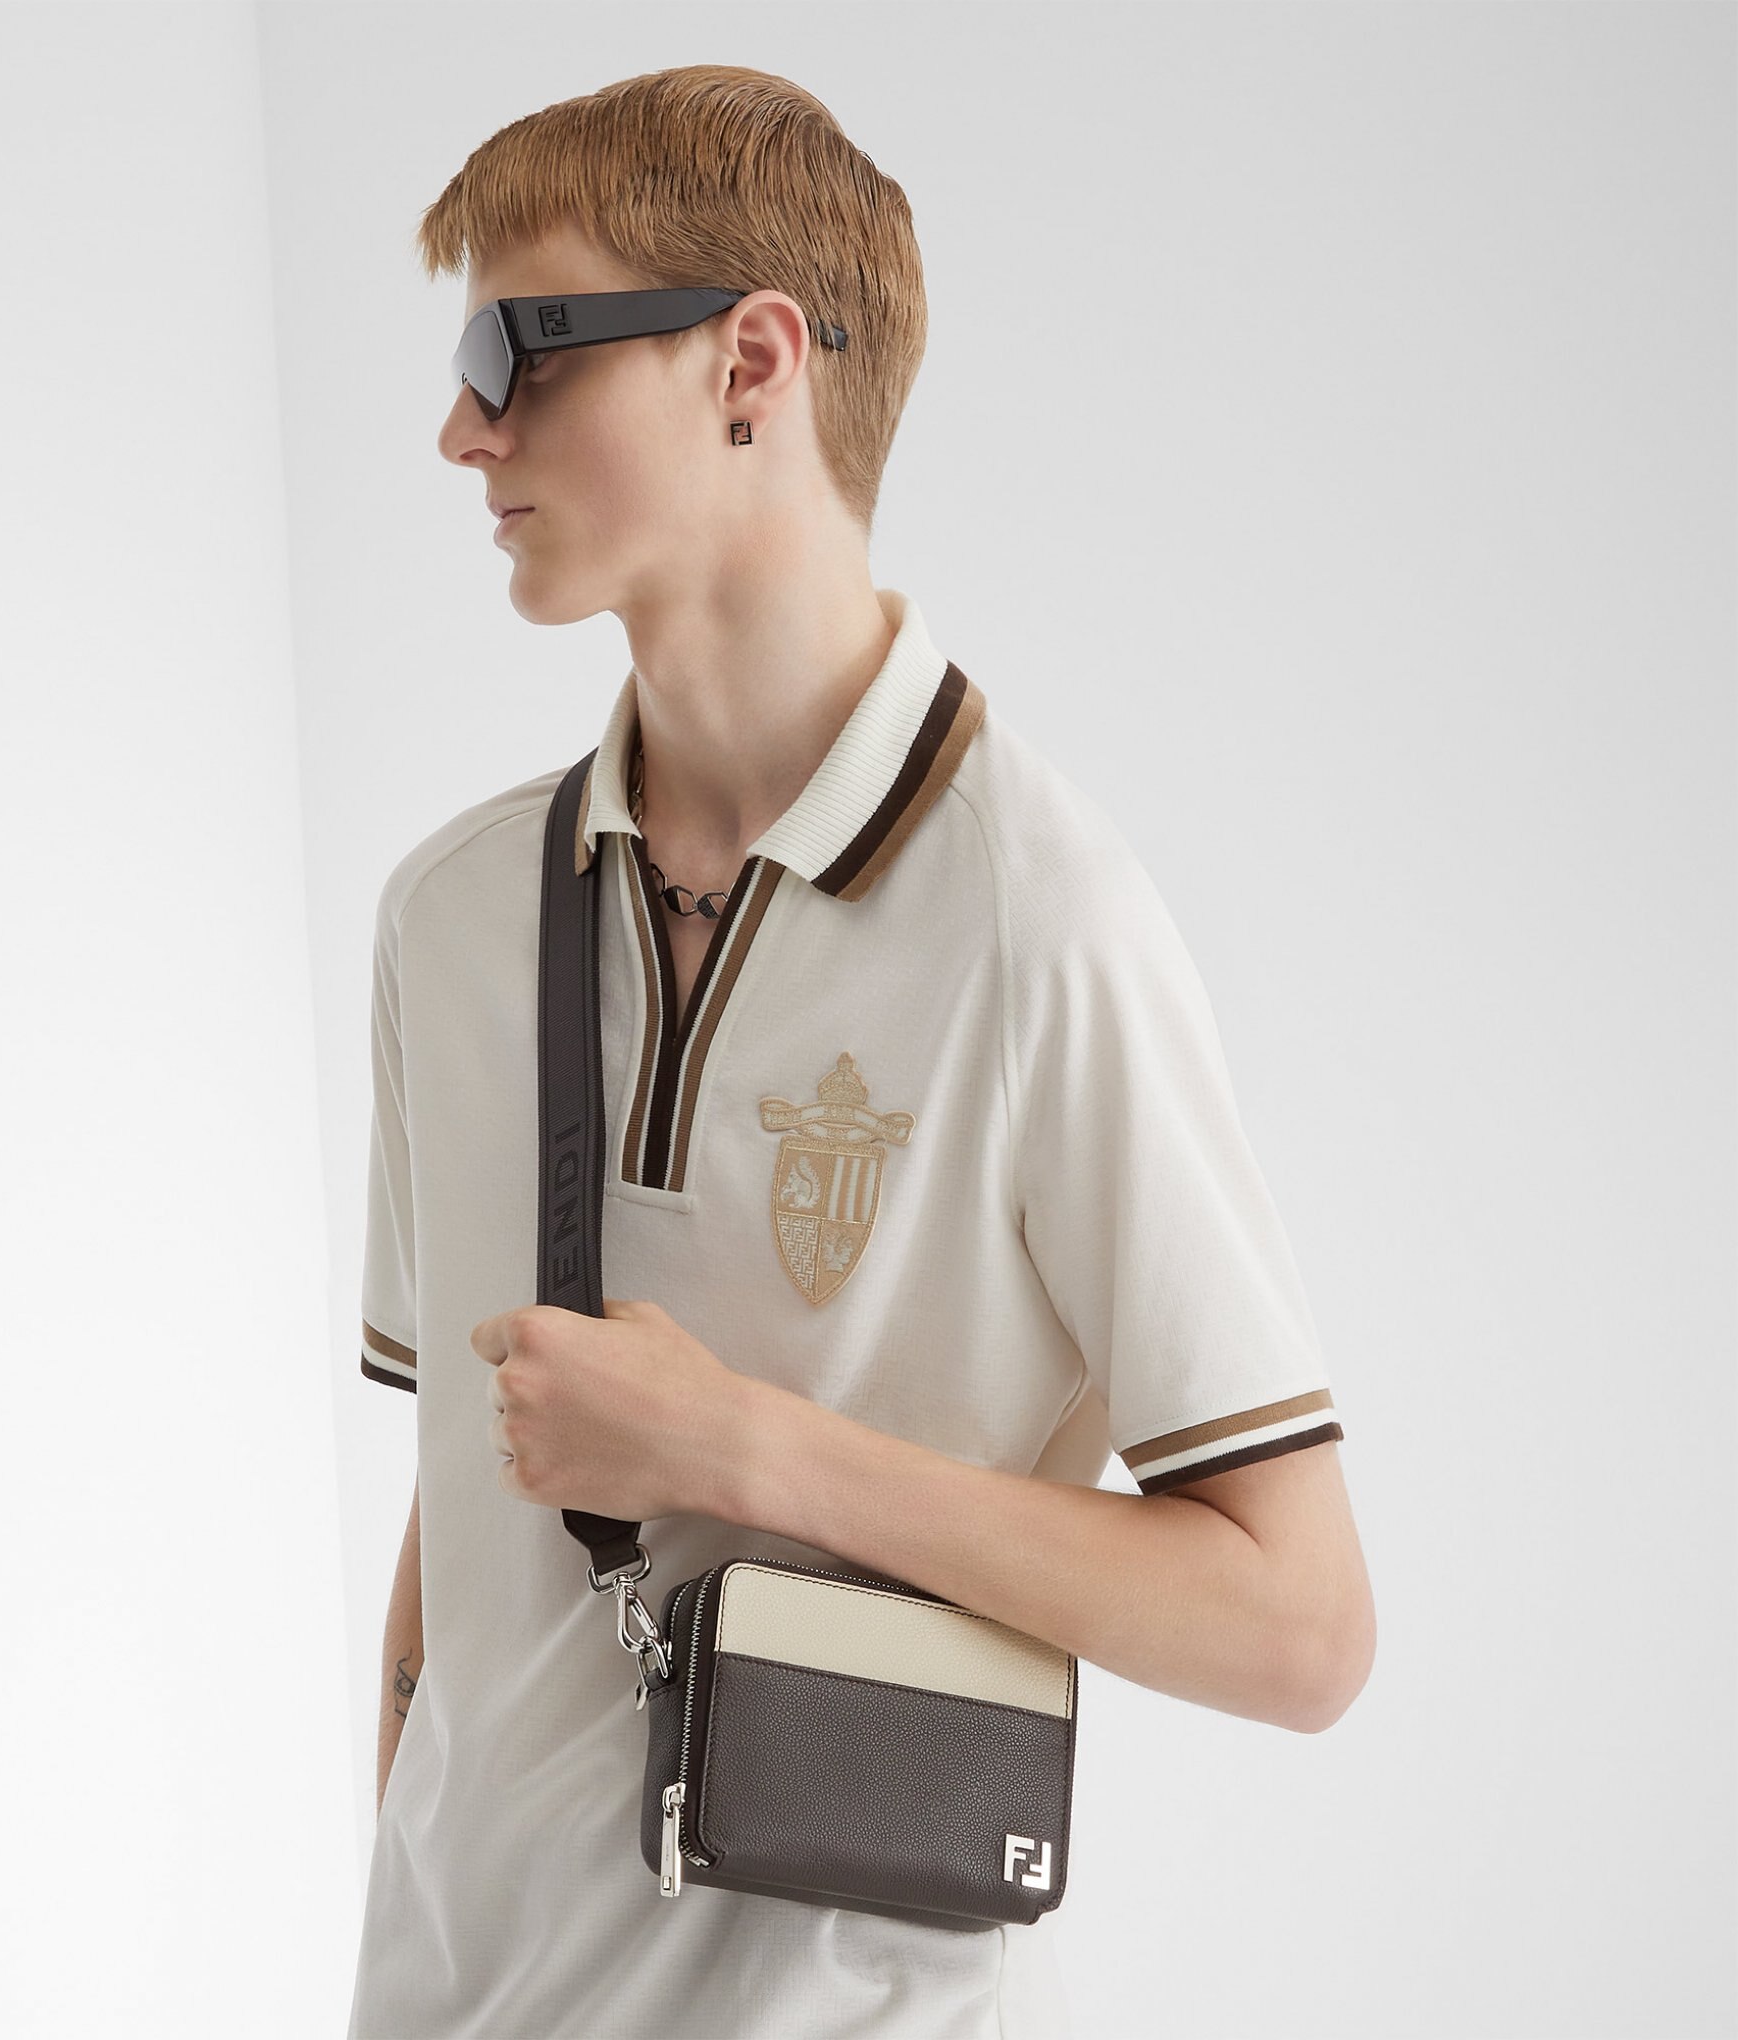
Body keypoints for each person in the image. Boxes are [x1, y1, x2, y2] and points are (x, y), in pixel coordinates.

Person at [347, 63, 1374, 2040]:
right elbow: (453, 1537)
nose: (464, 428)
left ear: (751, 365)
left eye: (516, 349)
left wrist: (747, 1454)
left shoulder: (1043, 923)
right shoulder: (449, 916)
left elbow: (1302, 1622)